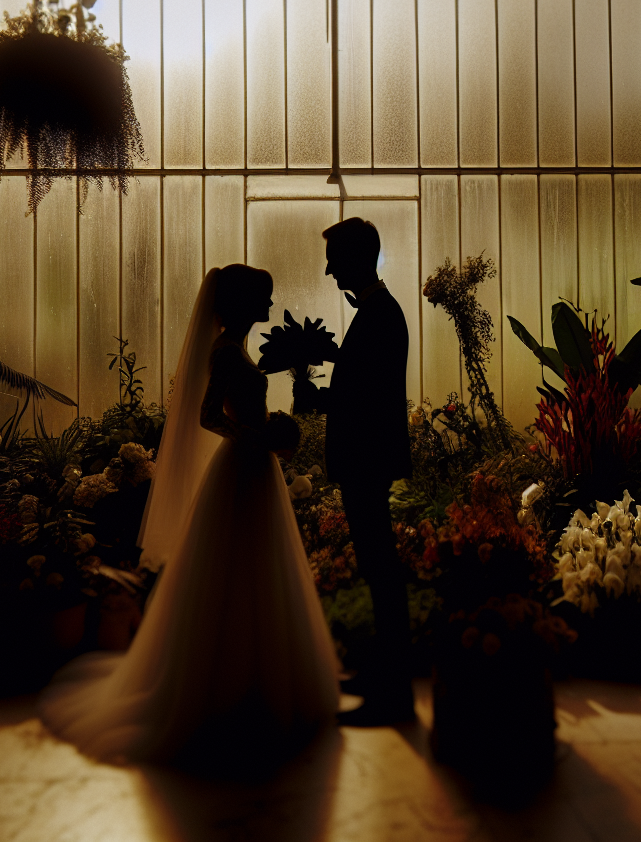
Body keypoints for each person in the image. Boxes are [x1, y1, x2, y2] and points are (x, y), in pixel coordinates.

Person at [38, 265, 340, 764]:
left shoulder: (234, 347)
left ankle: (259, 681)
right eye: (263, 299)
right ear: (244, 303)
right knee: (234, 568)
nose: (269, 306)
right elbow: (207, 416)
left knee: (257, 570)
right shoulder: (223, 351)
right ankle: (228, 688)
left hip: (254, 467)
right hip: (242, 467)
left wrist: (267, 437)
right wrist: (259, 436)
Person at [299, 218, 414, 726]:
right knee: (376, 569)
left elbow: (364, 401)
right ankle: (382, 678)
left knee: (381, 571)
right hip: (367, 461)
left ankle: (394, 695)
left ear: (353, 260)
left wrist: (321, 396)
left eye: (333, 259)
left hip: (366, 462)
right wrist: (323, 385)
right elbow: (363, 391)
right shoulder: (378, 313)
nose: (327, 271)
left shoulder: (380, 316)